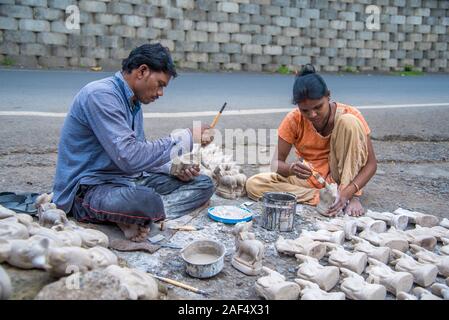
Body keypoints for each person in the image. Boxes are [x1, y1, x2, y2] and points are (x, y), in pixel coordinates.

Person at [52, 44, 215, 241]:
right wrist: (187, 137)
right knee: (145, 199)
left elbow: (142, 154)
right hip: (91, 188)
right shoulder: (100, 95)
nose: (161, 93)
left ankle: (139, 217)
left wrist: (173, 168)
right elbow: (129, 157)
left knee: (204, 183)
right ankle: (140, 213)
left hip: (128, 179)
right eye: (160, 84)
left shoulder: (133, 103)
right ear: (142, 71)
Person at [246, 64, 377, 217]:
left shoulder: (350, 113)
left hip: (341, 178)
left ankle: (348, 196)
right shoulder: (294, 120)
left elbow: (371, 164)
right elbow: (276, 164)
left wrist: (350, 192)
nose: (312, 115)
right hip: (311, 179)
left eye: (318, 107)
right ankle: (322, 197)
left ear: (328, 96)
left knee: (349, 121)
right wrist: (291, 169)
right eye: (305, 110)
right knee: (254, 184)